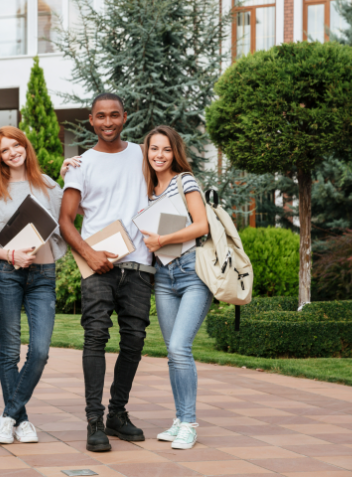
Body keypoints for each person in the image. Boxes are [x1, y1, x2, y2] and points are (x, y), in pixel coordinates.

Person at [59, 93, 153, 452]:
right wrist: (89, 253)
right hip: (97, 265)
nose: (108, 122)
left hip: (139, 264)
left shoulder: (144, 155)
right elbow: (66, 221)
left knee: (134, 340)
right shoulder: (81, 165)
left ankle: (117, 413)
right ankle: (94, 420)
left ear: (125, 117)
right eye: (101, 116)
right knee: (95, 336)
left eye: (115, 115)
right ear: (91, 120)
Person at [0, 126, 66, 444]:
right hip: (8, 275)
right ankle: (23, 421)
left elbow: (70, 215)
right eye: (5, 150)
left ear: (25, 147)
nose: (12, 152)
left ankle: (9, 415)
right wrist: (10, 254)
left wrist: (69, 174)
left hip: (43, 276)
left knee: (41, 351)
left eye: (16, 145)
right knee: (9, 352)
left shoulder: (48, 185)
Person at [140, 125, 212, 450]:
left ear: (175, 152)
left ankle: (189, 423)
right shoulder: (148, 189)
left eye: (166, 149)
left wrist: (163, 239)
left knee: (180, 347)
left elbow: (201, 225)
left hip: (192, 273)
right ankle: (180, 418)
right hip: (164, 277)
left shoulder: (186, 181)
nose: (159, 155)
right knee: (173, 354)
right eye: (154, 149)